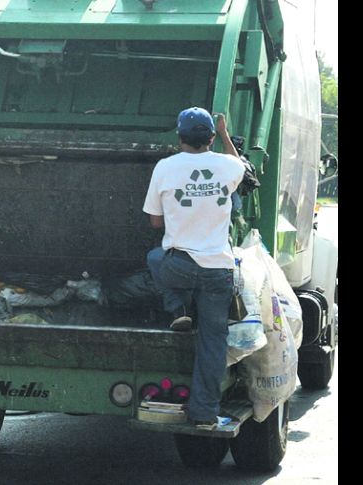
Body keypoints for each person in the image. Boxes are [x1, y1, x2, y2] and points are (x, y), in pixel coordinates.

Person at [142, 107, 245, 429]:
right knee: (213, 343)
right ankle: (204, 415)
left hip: (180, 268)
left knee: (156, 257)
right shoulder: (228, 165)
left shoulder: (165, 167)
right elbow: (241, 165)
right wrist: (226, 134)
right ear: (211, 138)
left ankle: (177, 309)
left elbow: (155, 222)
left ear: (179, 135)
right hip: (218, 272)